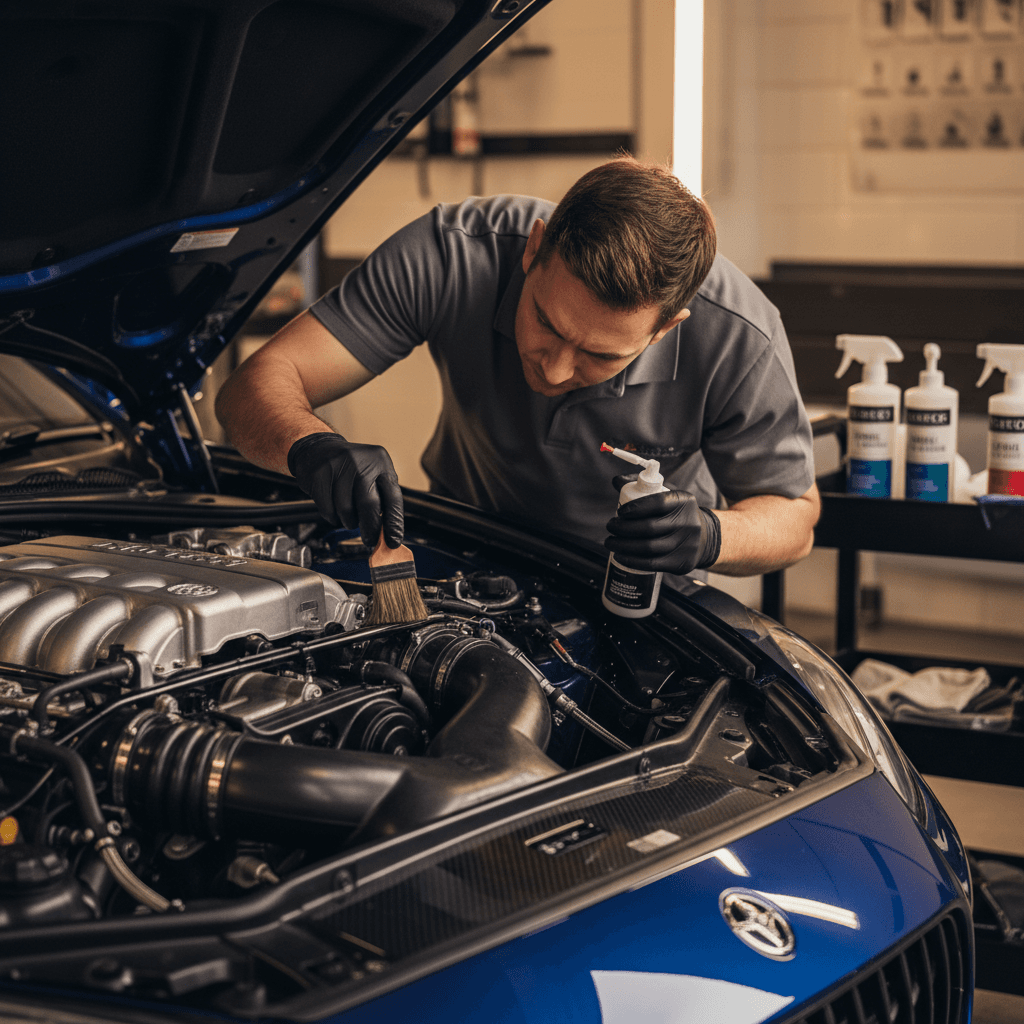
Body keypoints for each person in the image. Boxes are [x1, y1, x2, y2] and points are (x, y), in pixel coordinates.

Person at [216, 158, 819, 579]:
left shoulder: (741, 337)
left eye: (601, 355)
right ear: (534, 249)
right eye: (547, 324)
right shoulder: (454, 255)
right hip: (463, 553)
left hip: (636, 586)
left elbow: (793, 517)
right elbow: (258, 382)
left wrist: (712, 535)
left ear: (666, 327)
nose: (556, 370)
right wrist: (310, 444)